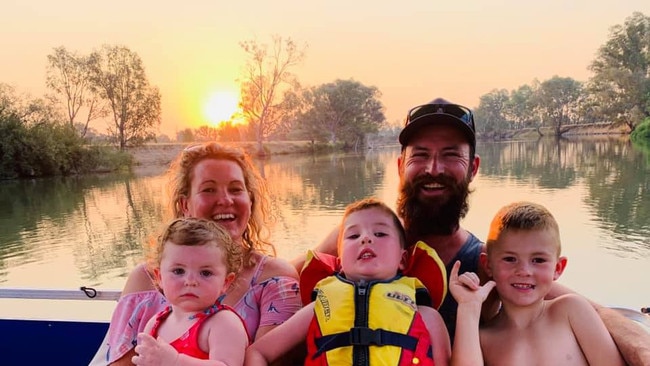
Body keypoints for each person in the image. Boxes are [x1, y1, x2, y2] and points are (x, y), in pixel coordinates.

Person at [293, 97, 650, 365]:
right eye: (420, 155)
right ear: (401, 165)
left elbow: (586, 306)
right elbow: (282, 280)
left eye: (451, 155)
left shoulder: (487, 263)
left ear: (474, 167)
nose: (434, 168)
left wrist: (642, 348)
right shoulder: (357, 241)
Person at [98, 142, 301, 366]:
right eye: (208, 189)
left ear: (250, 202)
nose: (225, 200)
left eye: (235, 189)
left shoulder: (275, 280)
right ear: (185, 205)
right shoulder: (145, 279)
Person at [246, 198, 451, 366]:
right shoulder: (320, 307)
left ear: (403, 259)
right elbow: (258, 352)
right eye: (353, 235)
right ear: (340, 261)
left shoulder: (426, 315)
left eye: (380, 233)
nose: (366, 238)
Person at [449, 201, 624, 366]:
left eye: (538, 260)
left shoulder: (571, 311)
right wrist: (468, 308)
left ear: (558, 268)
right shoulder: (482, 339)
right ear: (488, 265)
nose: (524, 271)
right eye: (510, 259)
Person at [132, 217, 248, 365]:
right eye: (179, 271)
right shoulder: (155, 324)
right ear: (159, 277)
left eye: (205, 273)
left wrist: (176, 362)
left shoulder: (223, 323)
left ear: (225, 282)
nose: (191, 281)